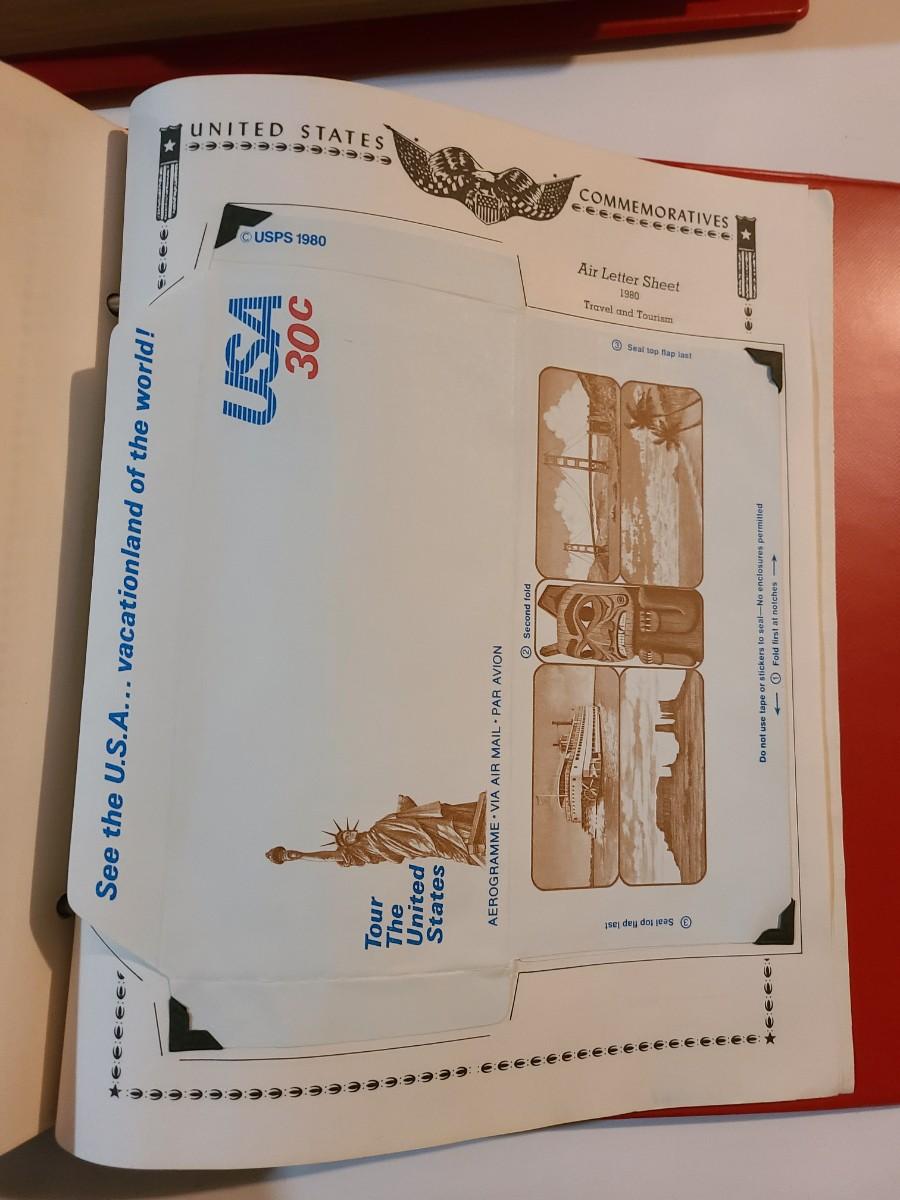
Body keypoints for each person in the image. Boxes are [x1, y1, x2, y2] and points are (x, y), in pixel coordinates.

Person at [266, 792, 486, 868]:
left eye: (346, 833)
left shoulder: (377, 828)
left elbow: (402, 817)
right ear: (348, 846)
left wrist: (404, 808)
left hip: (417, 828)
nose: (348, 835)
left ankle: (462, 825)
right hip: (412, 844)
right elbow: (327, 857)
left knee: (425, 819)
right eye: (345, 839)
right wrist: (299, 855)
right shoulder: (360, 851)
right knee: (438, 842)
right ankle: (458, 839)